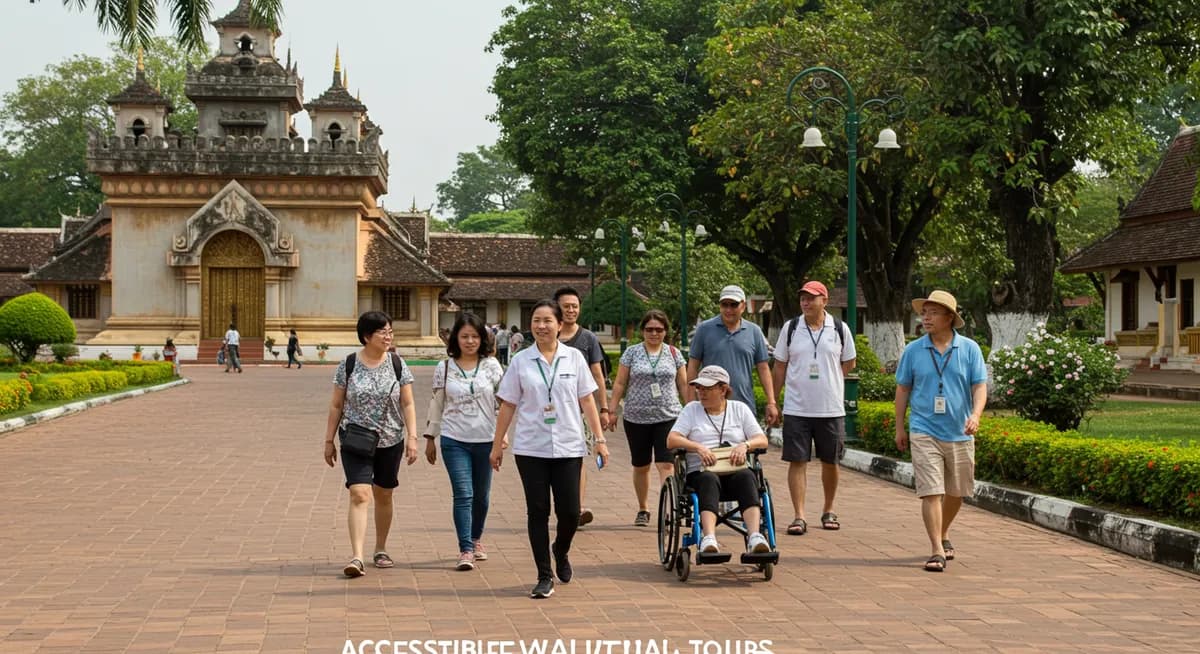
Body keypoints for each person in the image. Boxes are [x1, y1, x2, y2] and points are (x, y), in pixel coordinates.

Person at [490, 299, 608, 599]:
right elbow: (508, 405)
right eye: (536, 320)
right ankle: (544, 574)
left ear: (559, 324)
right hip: (531, 447)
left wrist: (600, 439)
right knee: (538, 511)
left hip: (569, 445)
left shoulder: (574, 359)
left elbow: (587, 401)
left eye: (547, 321)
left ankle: (561, 549)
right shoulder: (520, 360)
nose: (541, 326)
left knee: (569, 512)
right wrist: (497, 443)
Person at [893, 290, 987, 573]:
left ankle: (944, 531)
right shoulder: (913, 351)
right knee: (931, 491)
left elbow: (979, 386)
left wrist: (976, 415)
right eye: (925, 312)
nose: (926, 317)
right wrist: (900, 426)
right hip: (924, 429)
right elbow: (903, 389)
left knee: (956, 492)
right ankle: (936, 549)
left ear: (950, 317)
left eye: (933, 313)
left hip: (959, 431)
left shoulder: (970, 349)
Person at [323, 311, 419, 578]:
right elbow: (336, 404)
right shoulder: (349, 364)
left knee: (384, 494)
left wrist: (413, 437)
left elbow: (408, 403)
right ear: (367, 336)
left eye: (390, 331)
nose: (388, 336)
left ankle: (380, 548)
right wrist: (328, 440)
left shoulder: (398, 364)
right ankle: (357, 556)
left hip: (390, 439)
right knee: (359, 494)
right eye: (382, 332)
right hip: (355, 439)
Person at [772, 281, 857, 535]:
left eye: (811, 298)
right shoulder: (791, 328)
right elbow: (779, 366)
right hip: (797, 408)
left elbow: (849, 362)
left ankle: (828, 509)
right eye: (803, 298)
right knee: (797, 461)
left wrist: (830, 381)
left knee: (830, 461)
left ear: (824, 300)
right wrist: (773, 401)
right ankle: (799, 515)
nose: (805, 303)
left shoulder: (839, 328)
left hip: (830, 409)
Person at [423, 312, 505, 571]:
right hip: (453, 438)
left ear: (483, 339)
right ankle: (466, 549)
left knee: (482, 496)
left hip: (485, 439)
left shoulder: (492, 367)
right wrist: (430, 438)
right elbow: (437, 403)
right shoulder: (444, 367)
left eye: (475, 336)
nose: (470, 341)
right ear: (455, 339)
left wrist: (502, 437)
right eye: (464, 336)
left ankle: (477, 538)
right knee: (463, 494)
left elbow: (504, 404)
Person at [666, 365, 771, 554]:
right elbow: (672, 439)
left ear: (723, 390)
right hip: (701, 474)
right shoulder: (692, 410)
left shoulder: (739, 409)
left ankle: (755, 536)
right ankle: (709, 538)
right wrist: (697, 447)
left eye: (707, 389)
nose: (701, 393)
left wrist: (745, 445)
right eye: (699, 388)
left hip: (735, 471)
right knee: (708, 479)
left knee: (747, 476)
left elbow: (762, 439)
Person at [606, 309, 688, 526]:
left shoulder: (673, 353)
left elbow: (683, 384)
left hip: (668, 416)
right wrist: (612, 410)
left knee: (666, 464)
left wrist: (692, 410)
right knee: (641, 465)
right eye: (649, 329)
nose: (654, 333)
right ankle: (643, 508)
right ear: (642, 331)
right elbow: (620, 383)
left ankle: (668, 508)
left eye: (659, 329)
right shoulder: (632, 353)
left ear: (665, 331)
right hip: (636, 417)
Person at [552, 287, 611, 527]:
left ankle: (576, 507)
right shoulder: (547, 336)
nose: (571, 310)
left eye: (575, 306)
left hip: (580, 410)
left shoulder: (588, 339)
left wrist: (604, 408)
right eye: (566, 306)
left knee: (579, 455)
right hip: (552, 409)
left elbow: (597, 375)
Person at [687, 285, 778, 427]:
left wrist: (771, 402)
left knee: (744, 448)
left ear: (743, 306)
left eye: (733, 305)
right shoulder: (704, 329)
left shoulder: (754, 331)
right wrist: (690, 402)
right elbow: (692, 366)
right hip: (710, 406)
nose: (728, 310)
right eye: (724, 305)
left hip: (744, 405)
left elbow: (763, 368)